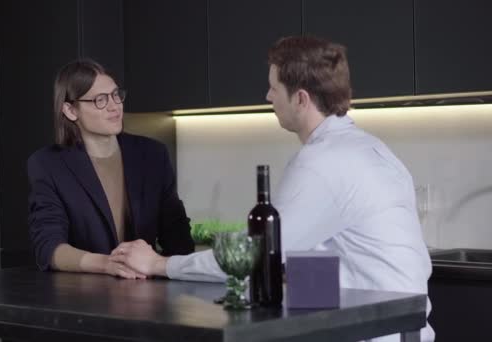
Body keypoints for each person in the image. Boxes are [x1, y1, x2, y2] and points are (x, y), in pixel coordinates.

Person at [109, 36, 434, 341]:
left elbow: (256, 257)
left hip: (373, 333)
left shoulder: (322, 161)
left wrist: (158, 264)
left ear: (301, 98)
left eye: (273, 88)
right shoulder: (371, 149)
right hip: (400, 328)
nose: (267, 97)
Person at [27, 58, 194, 279]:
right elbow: (49, 248)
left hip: (148, 292)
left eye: (116, 95)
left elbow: (178, 238)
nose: (115, 106)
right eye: (100, 100)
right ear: (70, 110)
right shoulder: (48, 164)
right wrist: (107, 264)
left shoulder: (153, 155)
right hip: (84, 297)